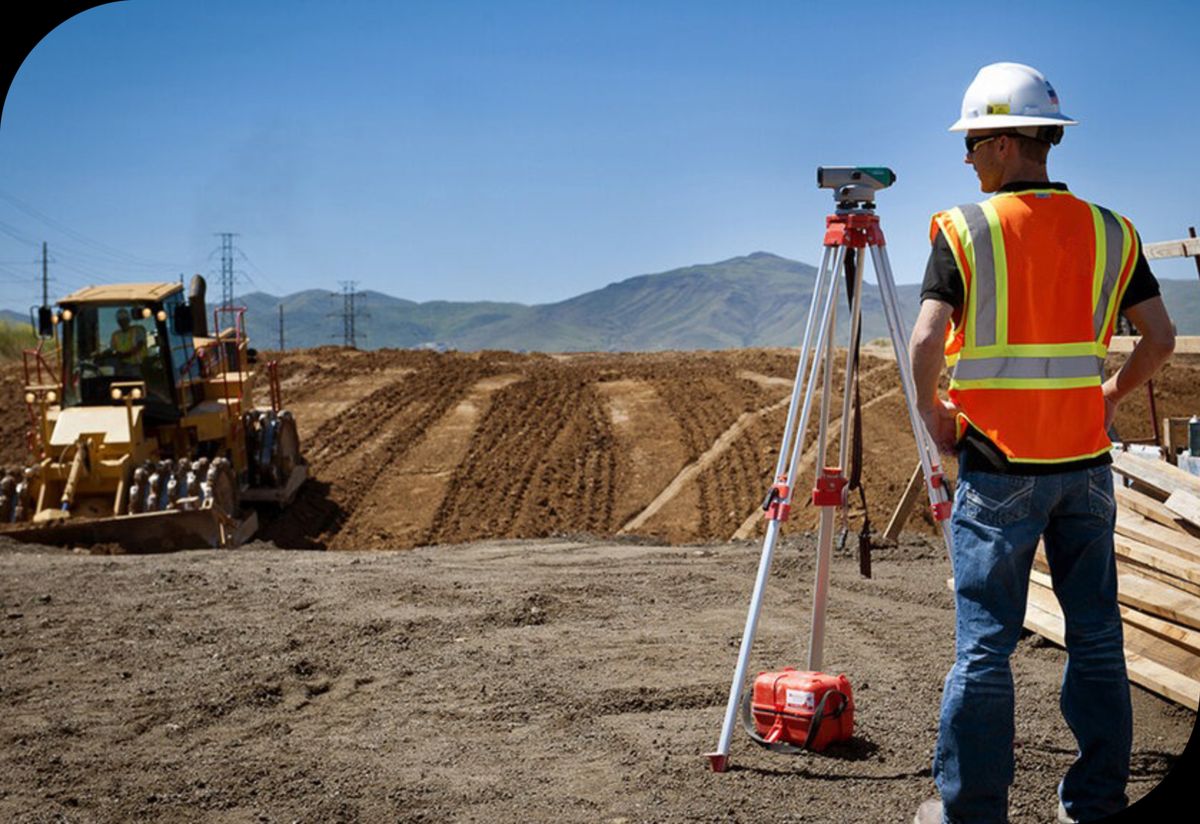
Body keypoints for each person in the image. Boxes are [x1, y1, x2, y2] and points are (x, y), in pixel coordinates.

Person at [909, 63, 1175, 824]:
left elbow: (927, 337)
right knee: (1097, 639)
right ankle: (1093, 806)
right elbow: (1159, 336)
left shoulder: (966, 228)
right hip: (1086, 469)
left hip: (997, 468)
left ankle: (972, 813)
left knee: (985, 649)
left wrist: (931, 412)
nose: (966, 160)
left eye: (971, 145)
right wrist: (1113, 395)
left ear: (1001, 143)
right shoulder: (1112, 230)